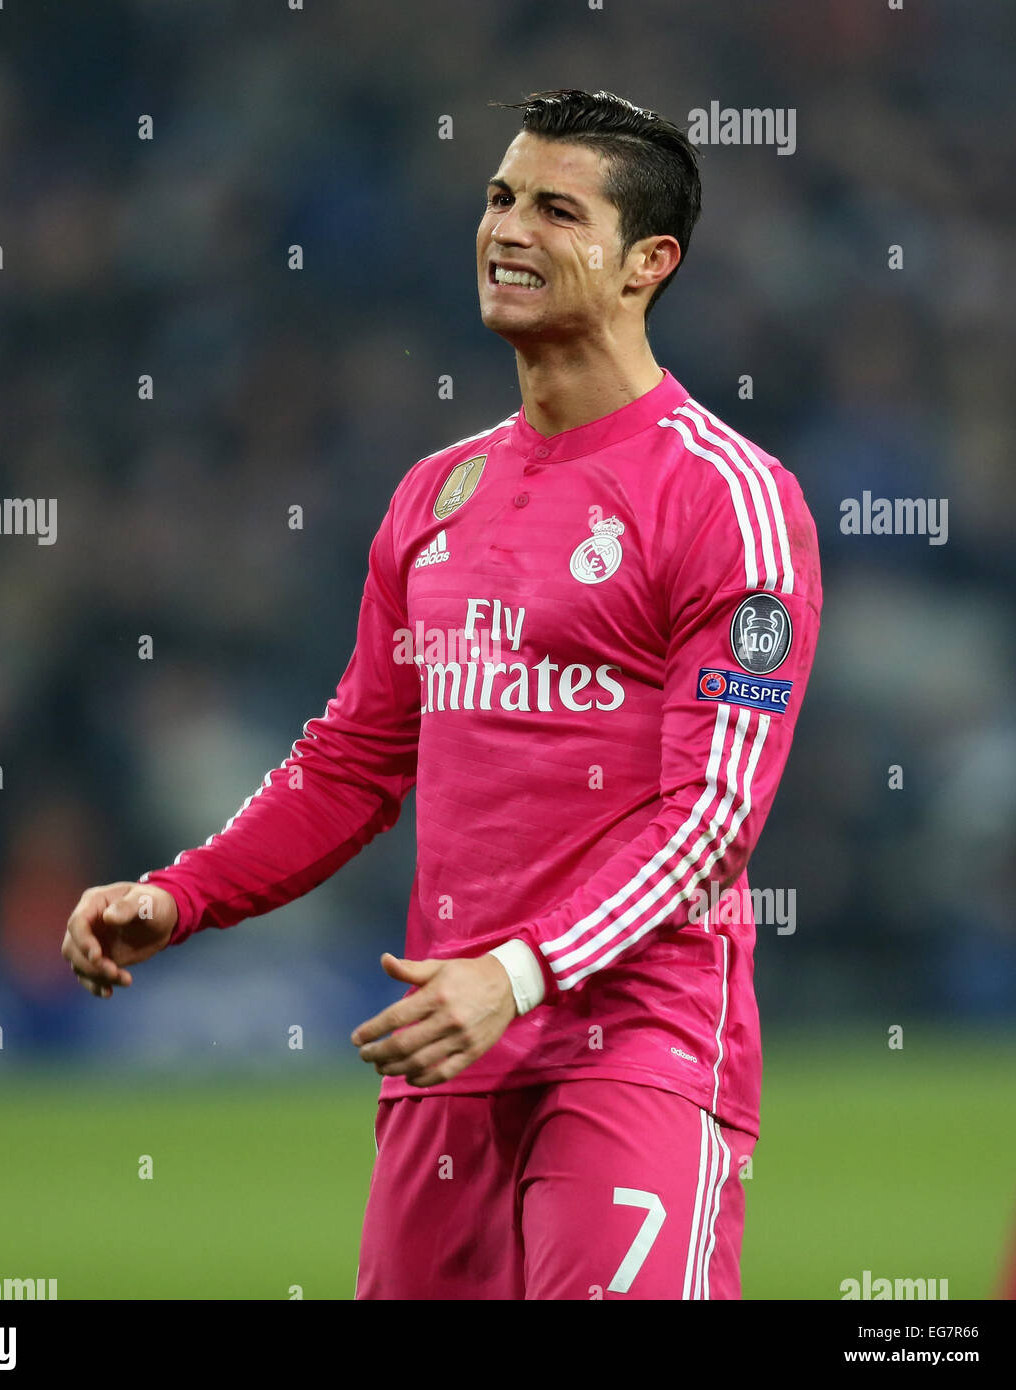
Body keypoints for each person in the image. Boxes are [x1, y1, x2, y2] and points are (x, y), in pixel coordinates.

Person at [61, 88, 822, 1300]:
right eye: (499, 197)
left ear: (647, 264)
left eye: (556, 210)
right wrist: (183, 893)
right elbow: (354, 759)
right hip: (446, 1049)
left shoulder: (728, 499)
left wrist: (517, 970)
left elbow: (711, 821)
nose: (508, 227)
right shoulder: (436, 497)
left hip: (636, 1046)